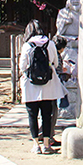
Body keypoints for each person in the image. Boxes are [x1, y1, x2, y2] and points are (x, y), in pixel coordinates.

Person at [19, 20, 64, 154]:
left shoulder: (27, 45)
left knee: (32, 115)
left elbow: (22, 66)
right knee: (46, 115)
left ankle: (35, 145)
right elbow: (55, 64)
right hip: (47, 85)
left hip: (30, 85)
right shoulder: (50, 44)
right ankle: (46, 144)